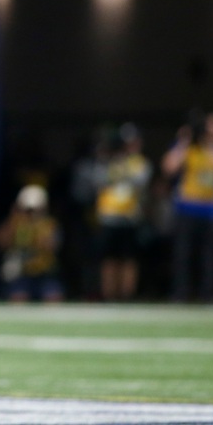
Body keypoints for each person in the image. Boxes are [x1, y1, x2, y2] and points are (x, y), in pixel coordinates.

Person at [162, 110, 213, 302]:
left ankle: (208, 294)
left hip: (211, 211)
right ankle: (180, 293)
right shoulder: (188, 148)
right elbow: (168, 167)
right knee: (182, 255)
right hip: (187, 208)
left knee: (209, 256)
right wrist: (183, 141)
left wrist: (211, 144)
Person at [92, 123, 152, 302]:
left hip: (130, 218)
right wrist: (109, 157)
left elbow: (141, 181)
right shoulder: (107, 161)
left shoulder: (139, 162)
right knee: (109, 259)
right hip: (109, 216)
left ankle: (126, 295)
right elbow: (97, 180)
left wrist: (124, 165)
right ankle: (109, 295)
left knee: (129, 259)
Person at [0, 185, 64, 303]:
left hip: (44, 273)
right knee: (18, 298)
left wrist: (36, 232)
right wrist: (14, 221)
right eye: (28, 210)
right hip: (21, 273)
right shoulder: (14, 223)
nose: (30, 214)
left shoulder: (49, 225)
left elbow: (53, 246)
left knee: (53, 298)